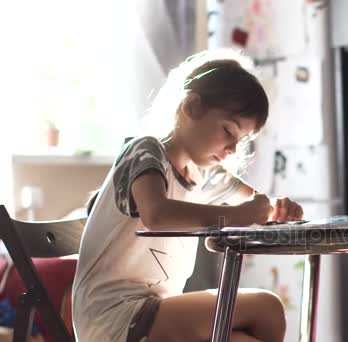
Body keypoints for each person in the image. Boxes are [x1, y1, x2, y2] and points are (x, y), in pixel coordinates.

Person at [72, 49, 303, 342]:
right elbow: (156, 215)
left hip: (153, 313)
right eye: (228, 131)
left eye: (240, 140)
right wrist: (238, 215)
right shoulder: (145, 151)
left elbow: (257, 205)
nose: (232, 149)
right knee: (267, 308)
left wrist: (277, 208)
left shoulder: (203, 173)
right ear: (191, 107)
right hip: (113, 317)